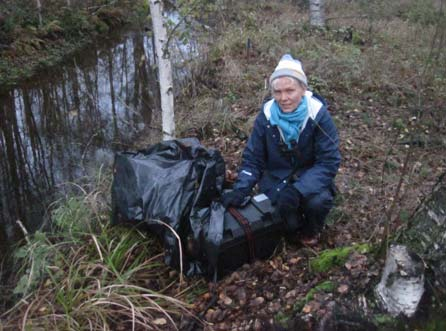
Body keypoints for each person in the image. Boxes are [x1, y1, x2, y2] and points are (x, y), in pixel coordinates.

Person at [221, 54, 341, 244]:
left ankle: (311, 231)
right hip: (276, 179)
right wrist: (241, 189)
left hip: (309, 178)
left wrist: (298, 191)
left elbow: (329, 162)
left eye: (290, 90)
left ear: (303, 89)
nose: (283, 98)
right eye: (277, 92)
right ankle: (291, 227)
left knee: (317, 203)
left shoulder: (318, 115)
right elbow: (254, 158)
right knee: (286, 226)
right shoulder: (266, 115)